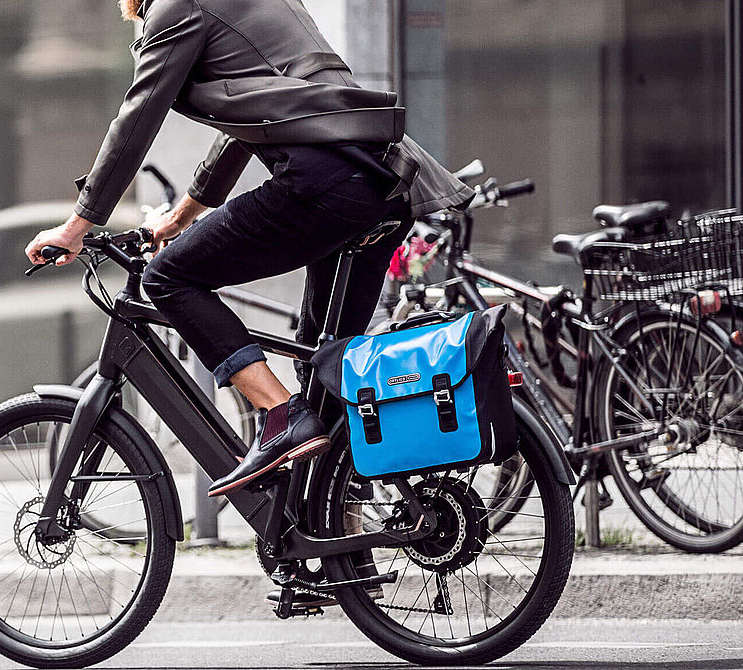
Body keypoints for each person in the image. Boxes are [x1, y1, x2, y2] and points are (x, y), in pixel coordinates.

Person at [24, 0, 473, 497]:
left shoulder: (177, 8)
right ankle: (342, 537)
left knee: (168, 278)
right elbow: (246, 124)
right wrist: (177, 219)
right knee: (324, 365)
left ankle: (279, 413)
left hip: (325, 182)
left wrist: (76, 226)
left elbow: (135, 121)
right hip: (383, 183)